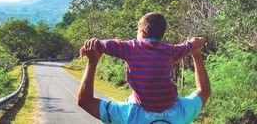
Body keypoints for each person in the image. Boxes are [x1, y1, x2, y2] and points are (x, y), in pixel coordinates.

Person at [79, 13, 204, 112]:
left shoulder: (131, 48)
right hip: (169, 101)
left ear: (142, 33)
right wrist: (195, 41)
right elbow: (187, 46)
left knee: (130, 99)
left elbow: (109, 44)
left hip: (143, 104)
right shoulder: (170, 50)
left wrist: (94, 44)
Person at [77, 37, 211, 124]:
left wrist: (92, 61)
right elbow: (204, 91)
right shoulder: (182, 111)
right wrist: (197, 55)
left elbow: (85, 101)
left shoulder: (129, 113)